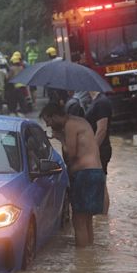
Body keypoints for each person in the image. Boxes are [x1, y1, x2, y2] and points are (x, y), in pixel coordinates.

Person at [40, 103, 105, 247]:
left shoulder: (70, 125)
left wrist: (60, 139)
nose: (49, 125)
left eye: (48, 121)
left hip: (84, 174)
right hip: (96, 172)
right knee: (87, 220)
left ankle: (82, 261)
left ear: (55, 116)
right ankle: (89, 260)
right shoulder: (81, 122)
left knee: (79, 221)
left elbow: (71, 154)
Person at [85, 91, 113, 214]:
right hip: (99, 149)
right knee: (98, 184)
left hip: (100, 149)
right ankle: (102, 222)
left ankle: (103, 217)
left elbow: (102, 129)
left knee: (100, 184)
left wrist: (92, 149)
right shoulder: (95, 101)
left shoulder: (101, 103)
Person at [25, 40, 39, 106]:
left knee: (32, 87)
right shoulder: (35, 47)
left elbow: (26, 52)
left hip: (31, 67)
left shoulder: (30, 47)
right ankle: (34, 101)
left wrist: (29, 46)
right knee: (33, 87)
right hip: (34, 66)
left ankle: (34, 101)